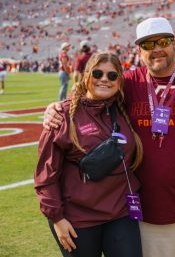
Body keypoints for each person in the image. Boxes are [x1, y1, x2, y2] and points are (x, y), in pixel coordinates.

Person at [44, 17, 175, 257]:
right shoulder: (128, 82)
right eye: (148, 45)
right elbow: (92, 92)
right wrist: (57, 108)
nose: (157, 48)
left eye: (163, 42)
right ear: (139, 51)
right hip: (149, 212)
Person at [35, 52, 143, 257]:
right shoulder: (62, 116)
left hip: (121, 213)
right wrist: (57, 219)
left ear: (119, 80)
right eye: (98, 73)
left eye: (112, 76)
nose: (104, 79)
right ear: (86, 76)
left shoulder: (124, 110)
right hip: (78, 219)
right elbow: (46, 175)